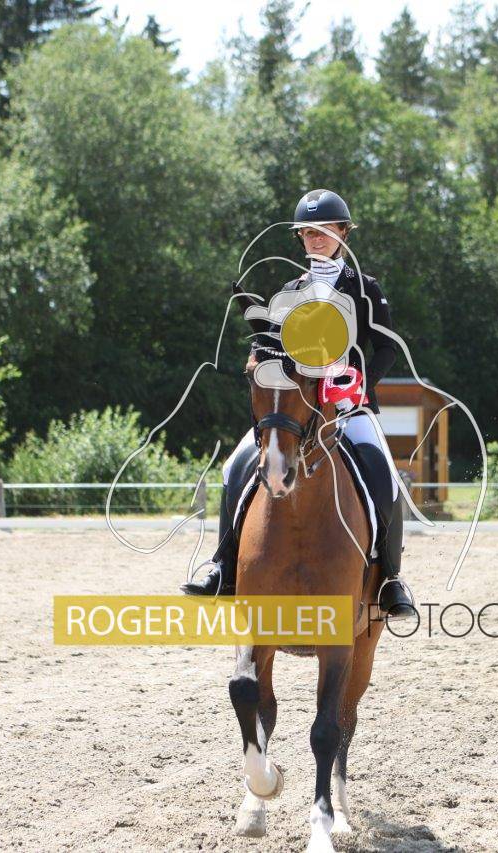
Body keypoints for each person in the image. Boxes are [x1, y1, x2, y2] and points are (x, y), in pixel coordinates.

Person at [180, 189, 417, 620]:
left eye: (324, 230)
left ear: (343, 233)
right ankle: (223, 565)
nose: (316, 238)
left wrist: (358, 384)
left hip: (350, 407)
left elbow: (386, 347)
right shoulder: (290, 291)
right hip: (296, 411)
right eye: (308, 232)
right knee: (235, 466)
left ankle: (390, 579)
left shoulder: (365, 288)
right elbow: (273, 350)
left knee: (382, 472)